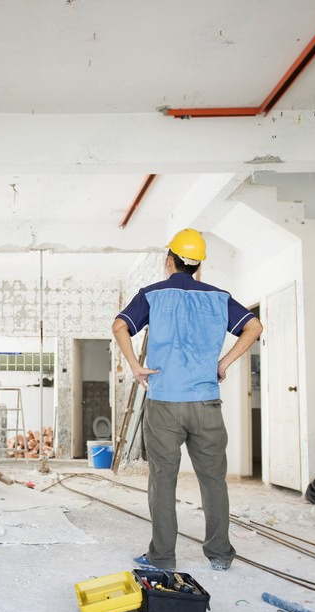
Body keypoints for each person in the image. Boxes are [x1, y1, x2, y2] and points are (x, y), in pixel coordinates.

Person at [112, 228, 263, 571]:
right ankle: (220, 556)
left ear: (170, 261)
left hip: (164, 402)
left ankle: (162, 558)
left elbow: (120, 326)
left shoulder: (152, 294)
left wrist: (136, 366)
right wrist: (223, 363)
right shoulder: (219, 297)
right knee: (213, 480)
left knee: (163, 481)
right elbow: (253, 327)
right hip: (207, 402)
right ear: (199, 267)